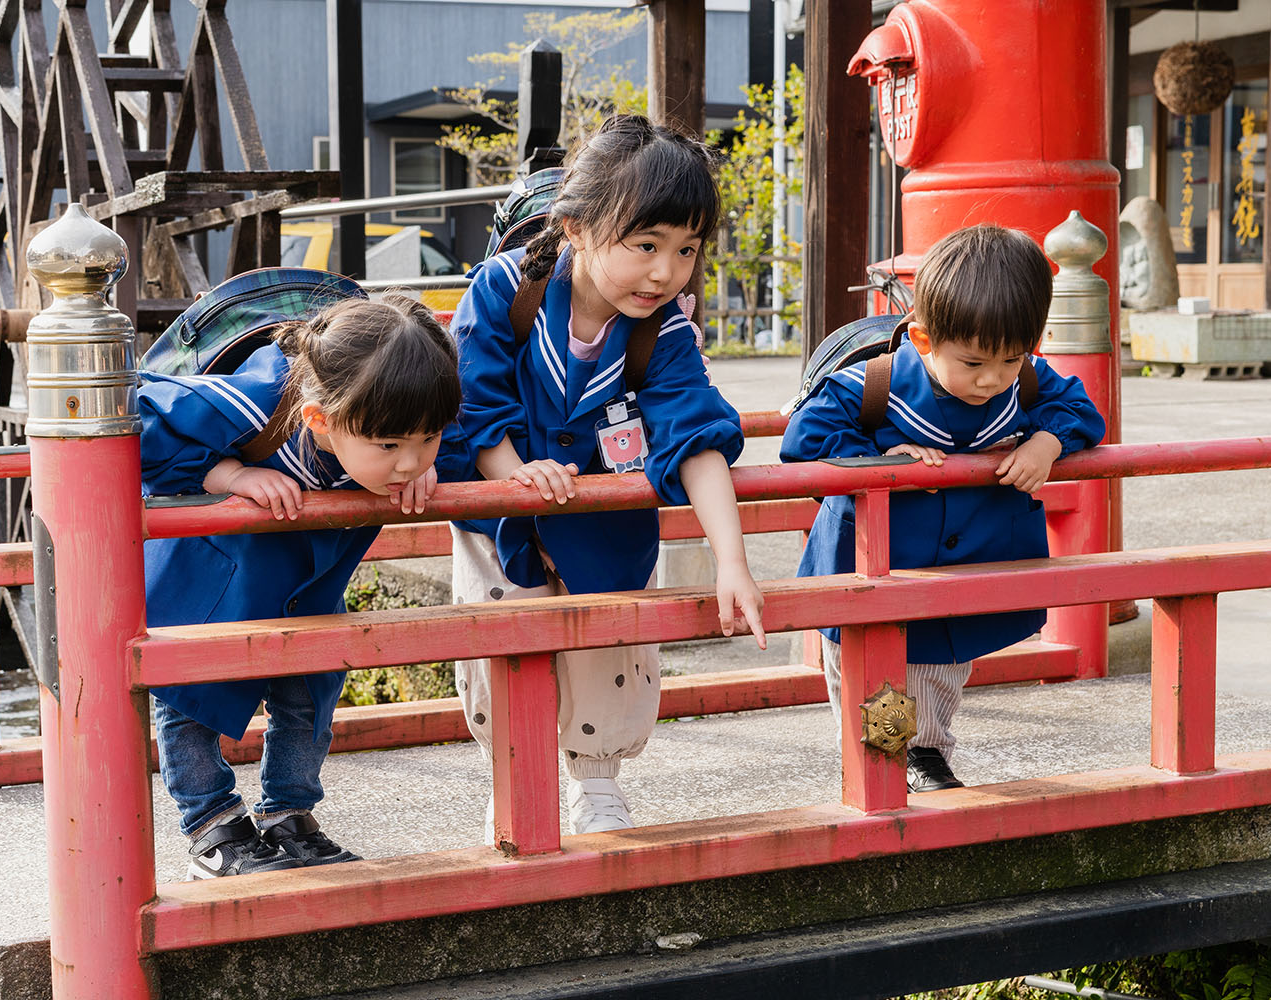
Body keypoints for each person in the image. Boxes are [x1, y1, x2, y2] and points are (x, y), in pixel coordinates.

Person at [446, 114, 767, 839]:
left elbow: (697, 436)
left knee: (611, 643)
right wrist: (513, 474)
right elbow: (473, 396)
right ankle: (514, 778)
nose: (666, 272)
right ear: (577, 228)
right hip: (501, 505)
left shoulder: (664, 329)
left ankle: (596, 781)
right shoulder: (508, 290)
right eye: (646, 245)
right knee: (501, 639)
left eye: (686, 250)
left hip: (604, 514)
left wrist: (733, 561)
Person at [140, 295, 461, 878]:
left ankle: (289, 813)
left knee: (311, 692)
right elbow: (137, 414)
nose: (408, 462)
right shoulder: (259, 401)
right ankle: (211, 825)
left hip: (309, 583)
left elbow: (459, 441)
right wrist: (227, 473)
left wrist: (434, 464)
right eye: (390, 446)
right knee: (190, 699)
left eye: (428, 439)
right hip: (215, 579)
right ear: (320, 421)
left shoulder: (398, 426)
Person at [780, 224, 1107, 792]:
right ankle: (882, 767)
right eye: (975, 363)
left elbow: (1080, 408)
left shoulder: (1024, 383)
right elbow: (803, 441)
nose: (992, 380)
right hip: (871, 563)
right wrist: (881, 455)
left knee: (937, 671)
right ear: (926, 340)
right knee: (870, 675)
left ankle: (923, 754)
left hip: (964, 566)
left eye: (1011, 359)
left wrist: (1047, 442)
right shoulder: (873, 385)